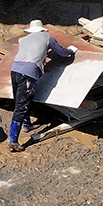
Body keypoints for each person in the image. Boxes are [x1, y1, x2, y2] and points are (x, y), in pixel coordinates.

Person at [9, 19, 77, 152]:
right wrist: (71, 51)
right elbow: (62, 52)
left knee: (20, 99)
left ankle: (26, 124)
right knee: (22, 106)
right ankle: (12, 139)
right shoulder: (48, 37)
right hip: (28, 73)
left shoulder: (23, 40)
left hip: (15, 69)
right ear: (42, 30)